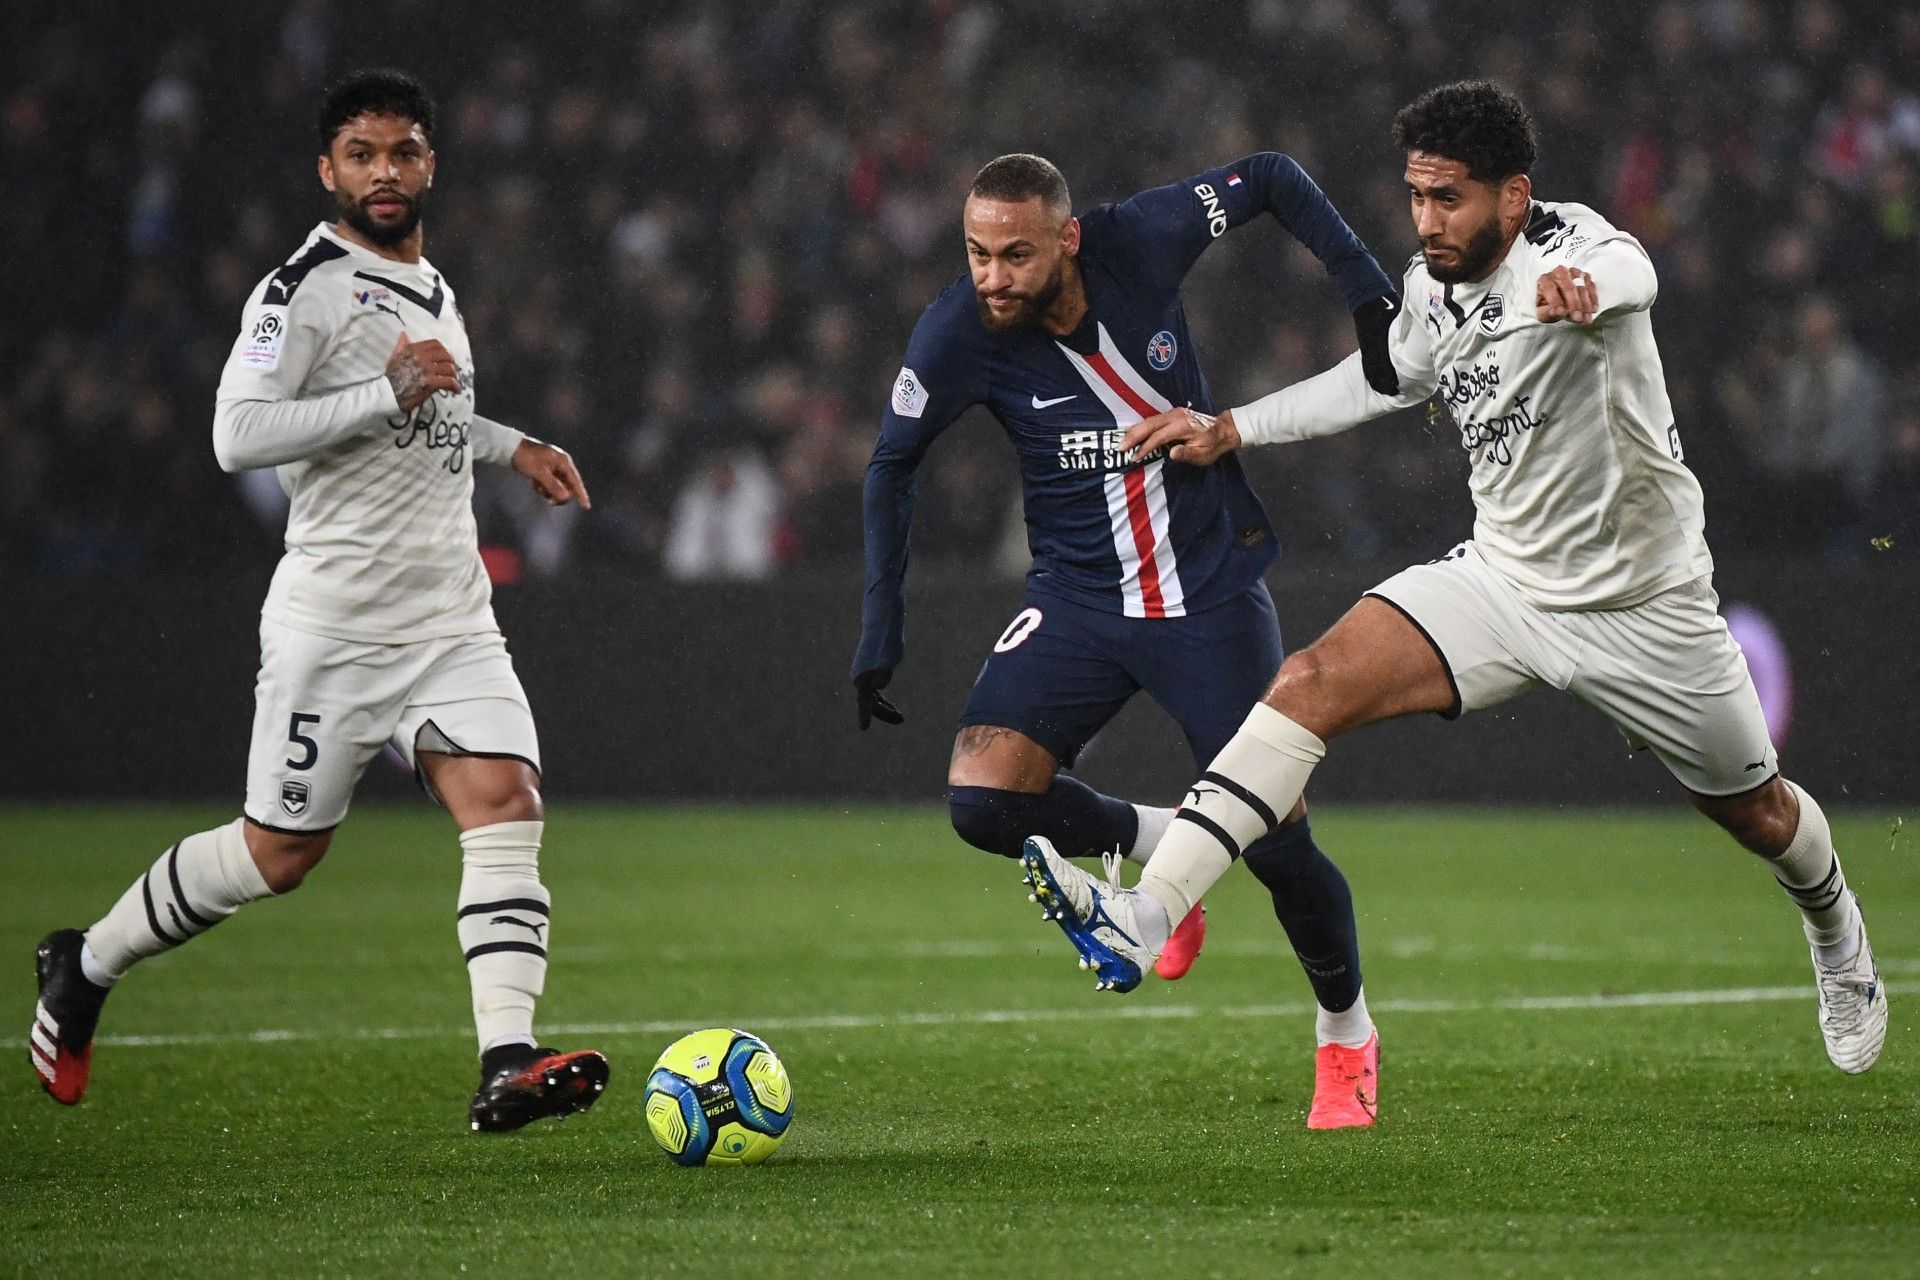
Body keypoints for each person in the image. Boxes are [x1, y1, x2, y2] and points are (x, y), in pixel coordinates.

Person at [1017, 80, 1887, 1080]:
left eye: (1450, 199)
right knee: (1307, 683)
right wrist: (1233, 425)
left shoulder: (1574, 251)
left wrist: (1588, 295)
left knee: (1759, 814)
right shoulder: (1431, 289)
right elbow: (1378, 377)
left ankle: (1836, 930)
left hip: (1647, 607)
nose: (1427, 221)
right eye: (1417, 197)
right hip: (1504, 585)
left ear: (1513, 199)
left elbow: (1632, 268)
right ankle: (1144, 913)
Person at [28, 69, 612, 1130]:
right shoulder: (301, 288)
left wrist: (510, 444)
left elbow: (426, 423)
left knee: (507, 802)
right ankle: (86, 962)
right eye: (362, 154)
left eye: (402, 152)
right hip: (335, 622)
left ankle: (507, 1059)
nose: (384, 172)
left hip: (448, 613)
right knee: (278, 855)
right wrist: (385, 388)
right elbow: (235, 435)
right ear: (327, 169)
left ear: (432, 163)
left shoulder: (433, 283)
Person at [853, 151, 1403, 1126]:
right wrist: (879, 628)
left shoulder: (1140, 239)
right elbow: (891, 466)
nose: (992, 278)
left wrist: (1367, 290)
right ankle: (1169, 853)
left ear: (1066, 239)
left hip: (1210, 598)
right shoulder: (957, 332)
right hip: (1079, 601)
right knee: (981, 799)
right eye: (976, 253)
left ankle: (1346, 1032)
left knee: (1280, 845)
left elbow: (1272, 175)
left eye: (1015, 254)